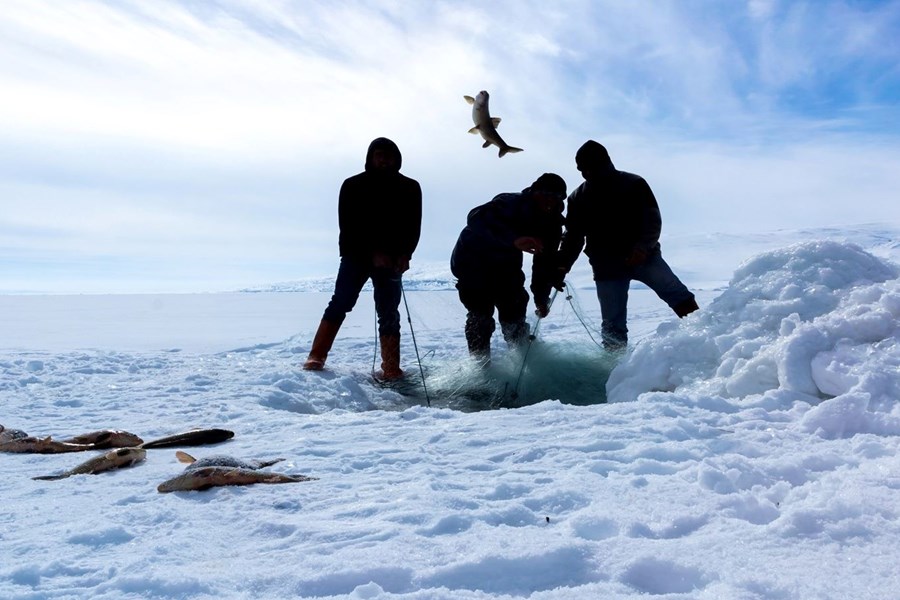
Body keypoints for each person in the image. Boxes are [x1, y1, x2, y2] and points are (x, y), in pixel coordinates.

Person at [555, 140, 698, 351]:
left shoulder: (634, 183)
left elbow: (652, 220)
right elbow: (573, 237)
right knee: (612, 324)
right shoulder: (578, 197)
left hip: (645, 258)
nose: (587, 172)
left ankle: (704, 336)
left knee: (677, 295)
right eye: (583, 168)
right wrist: (562, 265)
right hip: (606, 266)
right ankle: (616, 367)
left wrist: (642, 248)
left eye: (592, 167)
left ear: (606, 162)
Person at [303, 137, 422, 379]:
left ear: (397, 159)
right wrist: (372, 253)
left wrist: (405, 254)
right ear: (370, 158)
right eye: (379, 155)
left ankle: (391, 367)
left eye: (389, 155)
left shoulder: (410, 187)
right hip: (355, 257)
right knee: (341, 302)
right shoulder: (353, 185)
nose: (384, 160)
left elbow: (413, 226)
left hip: (391, 261)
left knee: (389, 310)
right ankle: (317, 355)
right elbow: (348, 225)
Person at [450, 173, 567, 364]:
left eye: (557, 197)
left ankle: (525, 363)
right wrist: (513, 239)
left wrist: (541, 298)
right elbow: (475, 219)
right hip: (472, 261)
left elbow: (544, 262)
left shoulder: (552, 224)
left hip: (507, 266)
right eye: (545, 194)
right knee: (480, 315)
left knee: (515, 310)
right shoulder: (509, 203)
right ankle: (480, 367)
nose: (550, 200)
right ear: (534, 192)